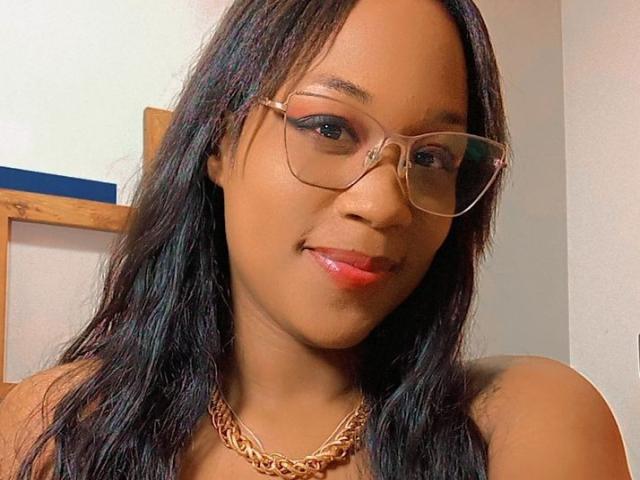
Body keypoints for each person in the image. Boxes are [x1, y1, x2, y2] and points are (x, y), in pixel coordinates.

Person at [0, 0, 632, 478]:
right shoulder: (56, 428)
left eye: (432, 157)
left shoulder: (520, 422)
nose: (383, 205)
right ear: (219, 140)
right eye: (329, 128)